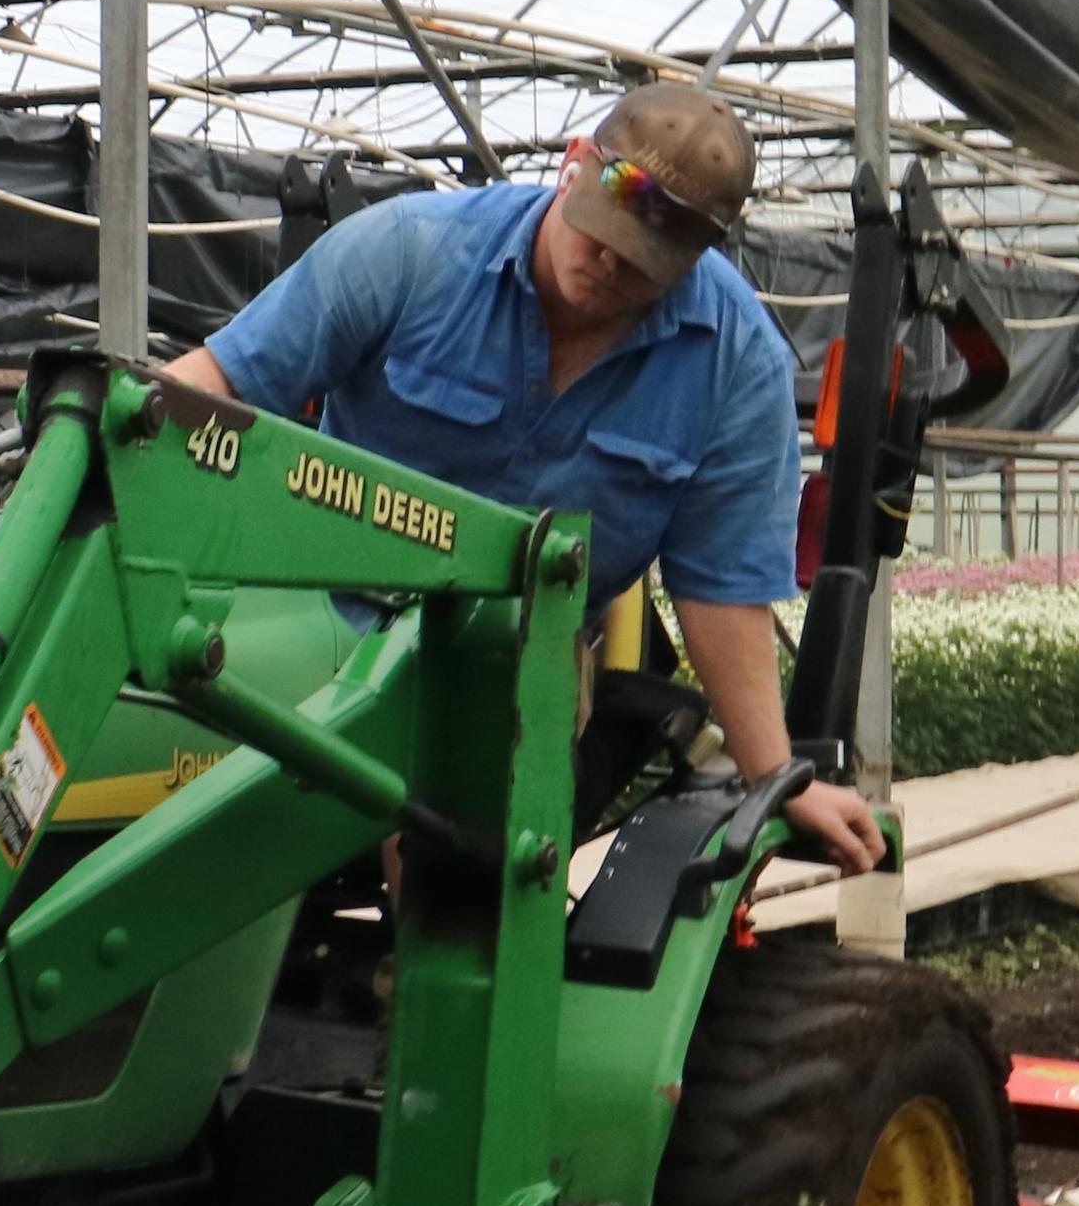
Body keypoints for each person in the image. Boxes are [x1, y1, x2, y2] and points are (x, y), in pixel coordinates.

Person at [164, 81, 887, 873]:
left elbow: (721, 594)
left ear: (698, 256)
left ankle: (422, 985)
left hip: (515, 662)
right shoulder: (409, 252)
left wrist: (774, 777)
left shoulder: (734, 364)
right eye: (601, 232)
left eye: (645, 263)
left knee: (461, 821)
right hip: (322, 619)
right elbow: (215, 386)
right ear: (574, 165)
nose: (610, 262)